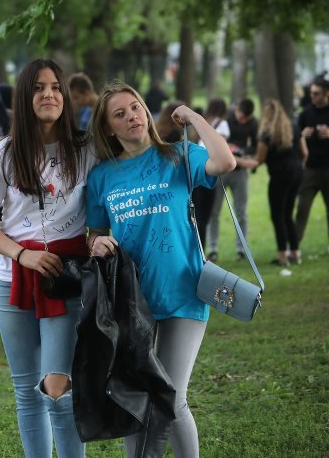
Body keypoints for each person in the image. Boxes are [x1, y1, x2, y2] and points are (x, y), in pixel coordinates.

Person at [86, 81, 235, 457]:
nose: (131, 117)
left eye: (134, 107)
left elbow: (225, 162)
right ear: (108, 128)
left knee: (172, 395)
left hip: (184, 290)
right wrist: (95, 243)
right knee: (135, 398)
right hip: (132, 300)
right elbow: (96, 234)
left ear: (145, 111)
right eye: (119, 114)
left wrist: (194, 117)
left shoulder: (179, 155)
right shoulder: (102, 177)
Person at [0, 59, 95, 457]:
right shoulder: (3, 154)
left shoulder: (86, 149)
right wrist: (21, 254)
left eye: (57, 87)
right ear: (25, 98)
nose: (49, 95)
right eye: (39, 88)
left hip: (65, 277)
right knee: (26, 389)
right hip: (12, 279)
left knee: (57, 386)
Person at [206, 98, 258, 262]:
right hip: (222, 169)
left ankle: (241, 249)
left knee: (241, 211)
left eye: (246, 120)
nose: (243, 121)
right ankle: (213, 248)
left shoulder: (253, 122)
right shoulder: (225, 118)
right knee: (214, 211)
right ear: (236, 109)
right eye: (241, 117)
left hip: (240, 171)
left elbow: (256, 145)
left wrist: (241, 149)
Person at [255, 99, 306, 266]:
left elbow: (260, 159)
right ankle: (296, 253)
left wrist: (243, 161)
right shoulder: (293, 127)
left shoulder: (266, 133)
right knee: (288, 214)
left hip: (279, 176)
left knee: (278, 216)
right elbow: (304, 152)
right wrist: (299, 166)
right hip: (297, 173)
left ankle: (283, 257)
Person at [294, 76, 329, 250]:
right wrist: (302, 134)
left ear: (326, 94)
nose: (312, 97)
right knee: (302, 208)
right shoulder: (306, 113)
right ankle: (294, 246)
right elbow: (294, 136)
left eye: (316, 94)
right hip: (310, 169)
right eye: (311, 93)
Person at [192, 98, 231, 249]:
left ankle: (197, 249)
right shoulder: (222, 124)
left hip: (197, 170)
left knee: (196, 215)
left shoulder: (204, 123)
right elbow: (221, 149)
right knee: (204, 217)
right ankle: (202, 252)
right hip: (210, 170)